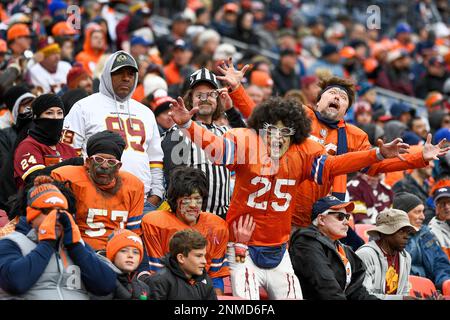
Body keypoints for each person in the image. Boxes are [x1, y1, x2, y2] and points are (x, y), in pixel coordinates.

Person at [168, 89, 411, 300]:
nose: (277, 137)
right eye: (272, 130)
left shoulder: (304, 152)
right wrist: (188, 126)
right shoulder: (246, 141)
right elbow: (218, 149)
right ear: (261, 128)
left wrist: (376, 155)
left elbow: (335, 165)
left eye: (285, 132)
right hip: (243, 244)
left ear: (295, 134)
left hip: (279, 246)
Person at [213, 61, 444, 232]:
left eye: (343, 98)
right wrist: (237, 89)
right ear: (318, 100)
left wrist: (419, 155)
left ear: (346, 110)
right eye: (332, 93)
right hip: (283, 209)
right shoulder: (300, 114)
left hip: (323, 218)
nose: (337, 97)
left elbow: (375, 164)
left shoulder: (355, 136)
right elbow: (261, 119)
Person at [62, 50, 164, 213]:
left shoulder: (145, 112)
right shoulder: (83, 107)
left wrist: (156, 194)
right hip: (96, 196)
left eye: (131, 74)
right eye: (119, 73)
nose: (126, 78)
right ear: (107, 75)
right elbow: (68, 152)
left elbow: (155, 158)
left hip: (141, 200)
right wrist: (84, 189)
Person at [0, 177, 116, 299]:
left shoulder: (78, 245)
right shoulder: (12, 242)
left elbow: (106, 285)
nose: (55, 217)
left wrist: (75, 247)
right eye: (47, 211)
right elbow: (14, 283)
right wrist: (47, 243)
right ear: (31, 214)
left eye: (61, 211)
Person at [162, 68, 243, 218]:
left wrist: (231, 110)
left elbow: (251, 145)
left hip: (223, 217)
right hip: (192, 218)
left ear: (218, 99)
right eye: (199, 95)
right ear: (190, 99)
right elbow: (173, 179)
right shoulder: (178, 131)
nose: (205, 99)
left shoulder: (227, 132)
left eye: (211, 94)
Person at [141, 167, 229, 295]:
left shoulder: (217, 226)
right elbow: (157, 275)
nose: (193, 204)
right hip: (168, 290)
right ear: (175, 200)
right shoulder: (155, 223)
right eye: (187, 198)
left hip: (201, 290)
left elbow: (215, 278)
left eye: (197, 198)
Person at [51, 130, 144, 251]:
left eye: (111, 162)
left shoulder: (133, 186)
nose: (105, 166)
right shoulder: (67, 178)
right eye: (99, 159)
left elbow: (133, 236)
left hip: (119, 256)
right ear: (88, 162)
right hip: (78, 252)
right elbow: (62, 230)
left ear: (118, 167)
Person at [289, 196, 378, 300]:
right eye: (340, 217)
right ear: (321, 219)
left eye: (347, 217)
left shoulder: (343, 249)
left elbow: (356, 291)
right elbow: (327, 288)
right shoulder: (306, 243)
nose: (346, 222)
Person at [14, 94, 77, 188]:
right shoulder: (27, 146)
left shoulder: (68, 148)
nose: (56, 117)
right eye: (49, 113)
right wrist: (70, 163)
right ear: (36, 117)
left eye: (59, 113)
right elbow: (35, 177)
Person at [392, 192, 450, 290]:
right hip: (404, 290)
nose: (423, 217)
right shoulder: (388, 238)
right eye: (417, 212)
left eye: (423, 211)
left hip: (430, 289)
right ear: (403, 215)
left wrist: (445, 281)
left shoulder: (425, 233)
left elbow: (439, 262)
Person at [356, 208, 416, 300]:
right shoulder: (365, 255)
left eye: (408, 232)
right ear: (384, 233)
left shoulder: (405, 257)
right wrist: (402, 299)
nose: (406, 236)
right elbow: (363, 296)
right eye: (401, 231)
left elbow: (404, 291)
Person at [144, 229, 217, 300]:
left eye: (204, 256)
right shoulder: (158, 282)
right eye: (199, 256)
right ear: (181, 258)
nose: (204, 261)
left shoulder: (205, 280)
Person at [105, 229, 150, 300]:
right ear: (113, 255)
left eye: (135, 252)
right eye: (124, 251)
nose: (130, 255)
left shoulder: (144, 288)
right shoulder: (101, 283)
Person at [429, 187, 450, 259]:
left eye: (449, 202)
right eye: (442, 203)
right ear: (436, 208)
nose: (447, 207)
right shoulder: (432, 232)